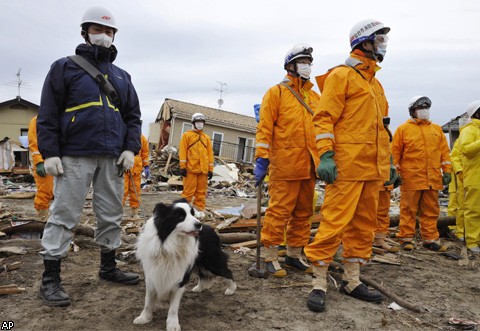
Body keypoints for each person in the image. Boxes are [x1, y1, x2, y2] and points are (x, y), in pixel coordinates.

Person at [36, 4, 142, 307]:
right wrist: (50, 153)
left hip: (112, 157)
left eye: (109, 31)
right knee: (65, 214)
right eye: (99, 30)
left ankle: (108, 267)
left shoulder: (122, 76)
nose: (104, 36)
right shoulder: (64, 67)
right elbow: (48, 113)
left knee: (111, 213)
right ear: (86, 32)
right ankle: (51, 278)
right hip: (74, 154)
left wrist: (129, 148)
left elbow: (133, 117)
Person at [304, 19, 392, 312]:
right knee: (333, 223)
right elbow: (324, 118)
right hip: (346, 166)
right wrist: (326, 154)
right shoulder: (342, 76)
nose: (383, 44)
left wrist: (388, 162)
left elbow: (380, 130)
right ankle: (318, 281)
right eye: (378, 38)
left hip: (371, 170)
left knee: (363, 227)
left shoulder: (375, 84)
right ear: (363, 42)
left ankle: (351, 279)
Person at [254, 43, 320, 278]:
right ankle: (271, 256)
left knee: (304, 213)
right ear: (290, 65)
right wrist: (261, 159)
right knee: (279, 212)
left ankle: (293, 253)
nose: (307, 66)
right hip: (285, 164)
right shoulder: (276, 93)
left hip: (310, 165)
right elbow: (264, 128)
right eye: (303, 62)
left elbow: (322, 129)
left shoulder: (314, 97)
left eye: (309, 63)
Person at [392, 96, 452, 252]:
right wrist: (394, 173)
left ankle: (430, 239)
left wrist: (447, 171)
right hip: (411, 178)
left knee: (431, 210)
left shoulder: (436, 129)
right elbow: (395, 154)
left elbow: (445, 153)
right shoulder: (403, 129)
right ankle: (405, 238)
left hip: (432, 178)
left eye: (426, 107)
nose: (424, 110)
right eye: (421, 108)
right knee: (408, 209)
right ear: (412, 111)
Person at [178, 113, 214, 218]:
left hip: (203, 170)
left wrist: (210, 169)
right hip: (190, 169)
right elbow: (183, 151)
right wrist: (182, 167)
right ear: (193, 123)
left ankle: (199, 211)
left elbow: (210, 154)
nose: (200, 124)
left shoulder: (206, 138)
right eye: (198, 122)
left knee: (201, 193)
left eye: (202, 122)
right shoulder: (186, 135)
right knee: (188, 192)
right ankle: (183, 212)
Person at [458, 100, 480, 254]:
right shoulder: (469, 130)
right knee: (473, 210)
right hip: (474, 177)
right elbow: (465, 150)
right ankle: (472, 241)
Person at [28, 115, 54, 222]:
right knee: (45, 190)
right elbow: (33, 142)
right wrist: (38, 161)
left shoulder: (57, 118)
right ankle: (42, 219)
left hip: (56, 159)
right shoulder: (37, 120)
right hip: (43, 160)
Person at [447, 118, 468, 241]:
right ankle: (455, 229)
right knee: (457, 205)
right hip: (459, 179)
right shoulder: (461, 141)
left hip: (464, 177)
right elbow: (454, 158)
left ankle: (461, 230)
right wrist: (460, 172)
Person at [123, 134, 150, 219]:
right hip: (124, 168)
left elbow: (145, 154)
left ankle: (135, 212)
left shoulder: (142, 138)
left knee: (135, 192)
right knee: (122, 191)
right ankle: (118, 212)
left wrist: (146, 166)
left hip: (136, 169)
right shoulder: (123, 134)